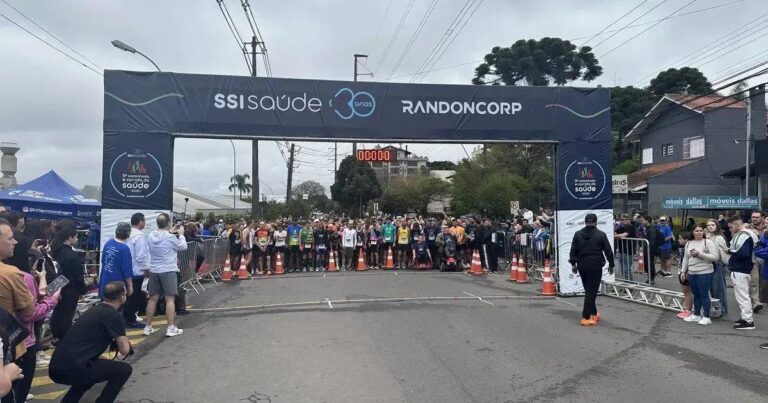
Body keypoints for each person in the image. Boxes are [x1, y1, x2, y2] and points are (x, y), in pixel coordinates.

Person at [49, 281, 133, 403]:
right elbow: (125, 350)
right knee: (124, 370)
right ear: (122, 297)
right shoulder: (114, 315)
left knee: (90, 373)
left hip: (56, 367)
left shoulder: (94, 311)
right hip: (73, 368)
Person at [144, 214, 186, 337]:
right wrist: (181, 235)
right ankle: (170, 327)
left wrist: (170, 232)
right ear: (168, 223)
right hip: (168, 270)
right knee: (170, 299)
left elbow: (161, 237)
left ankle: (147, 327)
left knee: (152, 299)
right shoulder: (170, 238)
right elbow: (183, 247)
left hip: (155, 270)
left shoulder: (150, 235)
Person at [568, 213, 614, 326]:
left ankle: (593, 313)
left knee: (589, 290)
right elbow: (608, 251)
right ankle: (586, 316)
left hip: (582, 265)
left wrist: (573, 264)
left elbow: (573, 250)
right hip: (595, 265)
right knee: (591, 291)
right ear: (596, 222)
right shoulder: (601, 235)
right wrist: (611, 265)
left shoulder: (577, 234)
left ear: (585, 222)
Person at [50, 224, 86, 343]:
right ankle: (64, 338)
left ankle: (55, 336)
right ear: (70, 238)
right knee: (67, 314)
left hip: (56, 285)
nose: (76, 239)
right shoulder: (71, 255)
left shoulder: (55, 251)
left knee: (57, 312)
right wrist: (82, 291)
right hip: (70, 288)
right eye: (75, 237)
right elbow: (78, 275)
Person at [680, 225, 718, 325]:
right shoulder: (689, 243)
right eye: (697, 231)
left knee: (704, 294)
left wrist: (699, 254)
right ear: (692, 232)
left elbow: (715, 257)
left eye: (701, 231)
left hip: (705, 272)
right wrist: (683, 271)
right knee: (696, 294)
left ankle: (706, 316)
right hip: (692, 272)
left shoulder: (708, 242)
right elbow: (685, 258)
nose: (699, 232)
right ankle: (696, 315)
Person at [728, 215, 757, 330]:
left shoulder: (744, 236)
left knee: (743, 296)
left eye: (731, 227)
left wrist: (731, 252)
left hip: (741, 269)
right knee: (742, 296)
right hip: (742, 269)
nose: (730, 230)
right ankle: (745, 318)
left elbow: (744, 253)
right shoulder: (746, 234)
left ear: (736, 225)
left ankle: (748, 321)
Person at [123, 213, 149, 329]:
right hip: (137, 270)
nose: (145, 223)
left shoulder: (127, 234)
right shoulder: (140, 236)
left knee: (129, 295)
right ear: (140, 222)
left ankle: (128, 317)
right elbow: (141, 255)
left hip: (128, 269)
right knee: (134, 296)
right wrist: (146, 269)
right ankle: (130, 320)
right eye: (144, 221)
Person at [98, 223, 133, 301]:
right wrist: (130, 286)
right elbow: (127, 270)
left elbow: (103, 261)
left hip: (105, 280)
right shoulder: (124, 249)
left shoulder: (108, 243)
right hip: (117, 284)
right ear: (128, 234)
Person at [706, 219, 730, 316]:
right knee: (710, 288)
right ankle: (714, 309)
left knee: (718, 288)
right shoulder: (707, 237)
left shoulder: (719, 238)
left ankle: (722, 309)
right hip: (708, 264)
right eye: (708, 225)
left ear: (717, 226)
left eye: (713, 225)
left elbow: (722, 254)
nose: (710, 227)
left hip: (718, 264)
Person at [749, 211, 766, 313]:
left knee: (764, 281)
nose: (754, 219)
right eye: (753, 217)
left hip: (766, 258)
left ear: (762, 218)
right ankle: (756, 303)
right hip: (753, 258)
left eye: (757, 217)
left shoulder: (767, 227)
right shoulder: (747, 229)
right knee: (754, 281)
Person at [676, 232, 695, 319]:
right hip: (682, 270)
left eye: (680, 238)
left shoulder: (689, 248)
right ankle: (688, 309)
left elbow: (689, 261)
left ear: (686, 240)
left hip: (686, 272)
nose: (678, 240)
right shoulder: (684, 247)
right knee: (686, 292)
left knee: (687, 292)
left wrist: (686, 272)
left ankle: (688, 310)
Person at [614, 214, 636, 282]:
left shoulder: (631, 227)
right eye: (622, 219)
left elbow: (623, 235)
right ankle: (627, 283)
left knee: (627, 269)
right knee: (623, 269)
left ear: (629, 220)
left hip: (629, 251)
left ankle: (630, 285)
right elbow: (615, 232)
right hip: (622, 251)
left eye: (626, 219)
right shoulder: (621, 227)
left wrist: (615, 236)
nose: (624, 221)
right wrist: (616, 235)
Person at [640, 216, 659, 284]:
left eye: (643, 220)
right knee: (646, 264)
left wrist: (648, 248)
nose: (641, 222)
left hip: (650, 250)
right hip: (646, 249)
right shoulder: (645, 228)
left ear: (647, 220)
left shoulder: (652, 229)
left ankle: (651, 279)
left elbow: (652, 241)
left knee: (650, 264)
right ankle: (649, 277)